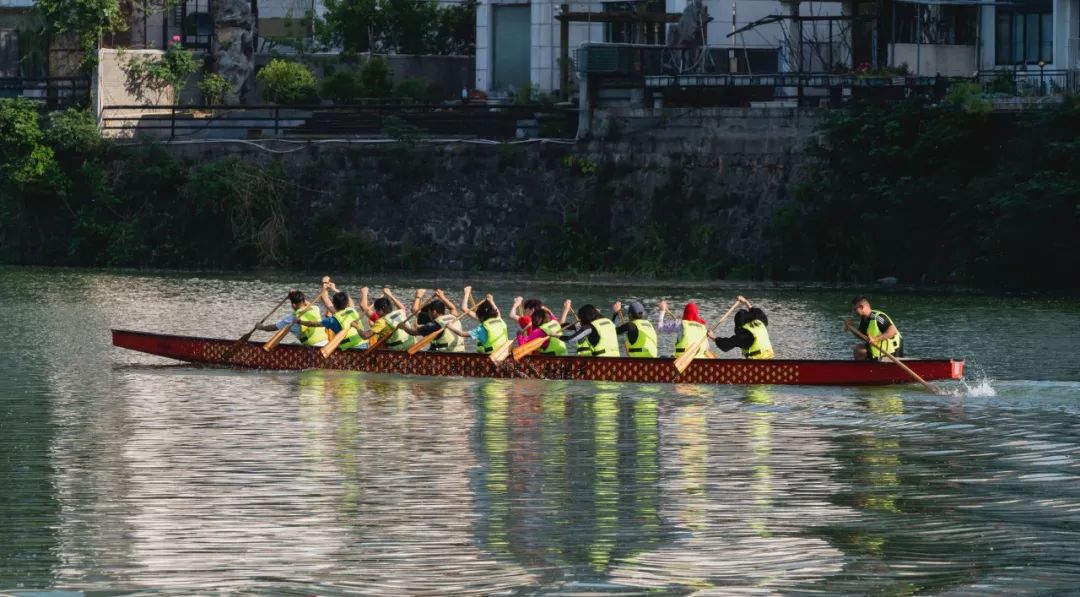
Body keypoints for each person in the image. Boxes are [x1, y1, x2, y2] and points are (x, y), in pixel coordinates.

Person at [257, 288, 330, 347]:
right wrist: (294, 293)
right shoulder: (315, 308)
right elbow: (306, 303)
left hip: (311, 346)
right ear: (304, 301)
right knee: (294, 344)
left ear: (293, 305)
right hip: (326, 344)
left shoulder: (291, 319)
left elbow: (274, 327)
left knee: (289, 346)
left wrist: (261, 327)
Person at [298, 290, 364, 350]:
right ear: (347, 303)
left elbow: (313, 324)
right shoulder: (352, 310)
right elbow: (350, 301)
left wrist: (301, 322)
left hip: (350, 347)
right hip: (363, 343)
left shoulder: (332, 320)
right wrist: (334, 289)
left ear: (334, 305)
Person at [851, 295, 902, 360]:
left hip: (892, 351)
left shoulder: (877, 317)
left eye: (855, 309)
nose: (854, 312)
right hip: (878, 351)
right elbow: (862, 336)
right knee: (859, 349)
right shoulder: (864, 319)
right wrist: (852, 328)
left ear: (861, 307)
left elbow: (893, 331)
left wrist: (876, 339)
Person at [462, 288, 508, 354]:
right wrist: (491, 301)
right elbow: (497, 312)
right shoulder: (499, 319)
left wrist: (466, 293)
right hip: (503, 353)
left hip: (489, 356)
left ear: (481, 316)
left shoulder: (483, 328)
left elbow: (464, 308)